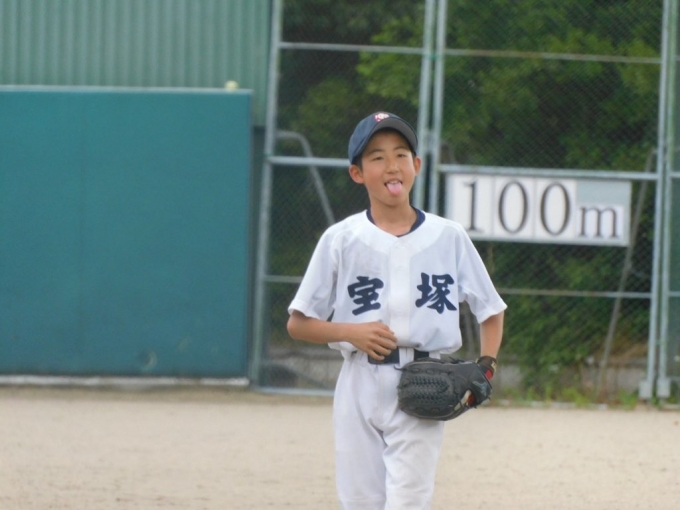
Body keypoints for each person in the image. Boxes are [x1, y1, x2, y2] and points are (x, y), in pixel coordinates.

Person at [287, 111, 507, 510]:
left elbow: (490, 308)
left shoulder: (448, 236)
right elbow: (298, 323)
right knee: (360, 502)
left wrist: (487, 365)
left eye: (401, 154)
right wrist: (349, 332)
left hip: (424, 382)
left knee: (408, 502)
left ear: (416, 165)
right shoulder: (341, 239)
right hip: (357, 383)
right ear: (357, 173)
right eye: (377, 157)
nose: (392, 165)